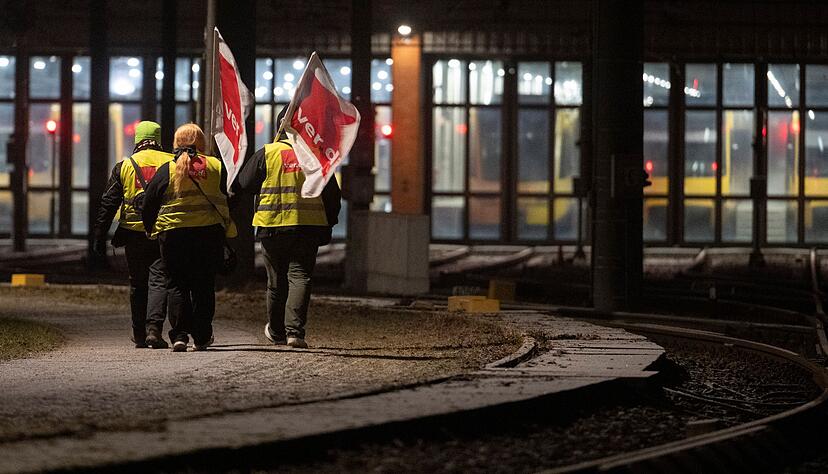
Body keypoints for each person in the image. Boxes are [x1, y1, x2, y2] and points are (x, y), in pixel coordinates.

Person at [232, 107, 341, 349]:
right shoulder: (317, 156)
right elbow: (333, 194)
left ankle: (276, 331)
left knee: (276, 281)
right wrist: (329, 222)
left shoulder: (268, 153)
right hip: (308, 227)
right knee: (300, 277)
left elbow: (244, 184)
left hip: (273, 227)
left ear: (281, 126)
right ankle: (295, 333)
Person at [142, 123, 236, 352]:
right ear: (201, 143)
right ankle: (202, 336)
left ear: (176, 143)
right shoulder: (215, 166)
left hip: (173, 237)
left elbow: (149, 202)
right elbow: (230, 195)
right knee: (204, 286)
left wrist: (150, 227)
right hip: (208, 235)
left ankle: (180, 336)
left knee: (176, 285)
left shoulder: (167, 169)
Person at [92, 121, 172, 349]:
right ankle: (154, 330)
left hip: (133, 233)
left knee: (138, 283)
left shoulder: (124, 166)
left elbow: (108, 203)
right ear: (158, 138)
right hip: (162, 231)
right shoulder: (171, 162)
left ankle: (138, 333)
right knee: (159, 280)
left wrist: (99, 235)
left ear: (137, 140)